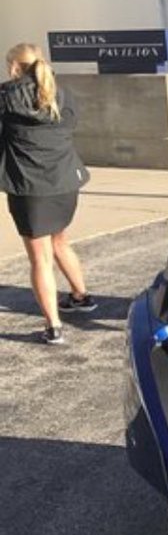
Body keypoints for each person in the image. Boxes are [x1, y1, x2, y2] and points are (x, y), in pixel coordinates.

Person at [0, 43, 94, 345]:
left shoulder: (6, 98)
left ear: (14, 67)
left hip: (30, 187)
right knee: (59, 240)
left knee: (39, 258)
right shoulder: (62, 93)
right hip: (65, 181)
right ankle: (81, 296)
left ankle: (53, 327)